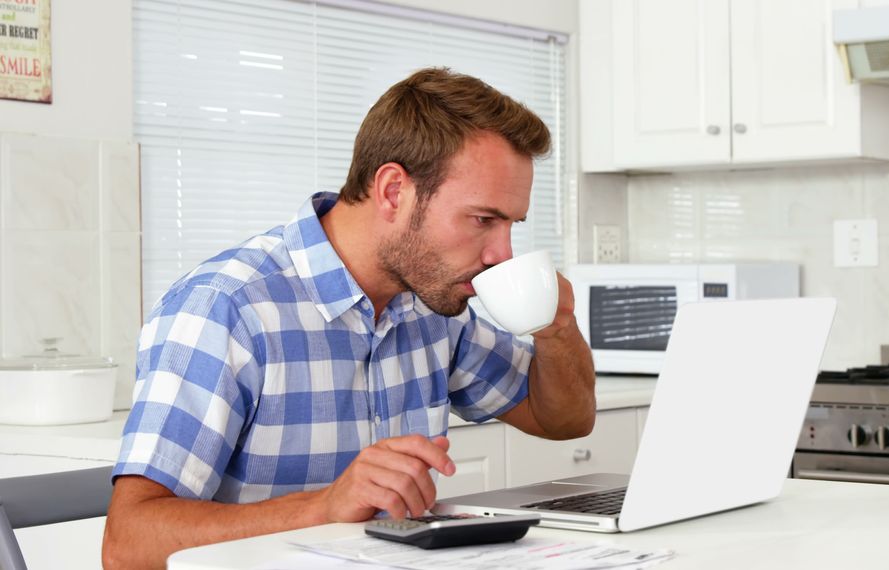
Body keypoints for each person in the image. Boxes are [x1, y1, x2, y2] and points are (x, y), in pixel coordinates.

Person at [102, 67, 596, 569]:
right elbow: (128, 543)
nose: (501, 253)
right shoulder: (227, 307)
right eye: (483, 220)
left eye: (512, 225)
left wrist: (556, 328)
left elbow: (565, 420)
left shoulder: (431, 304)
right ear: (392, 191)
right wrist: (324, 506)